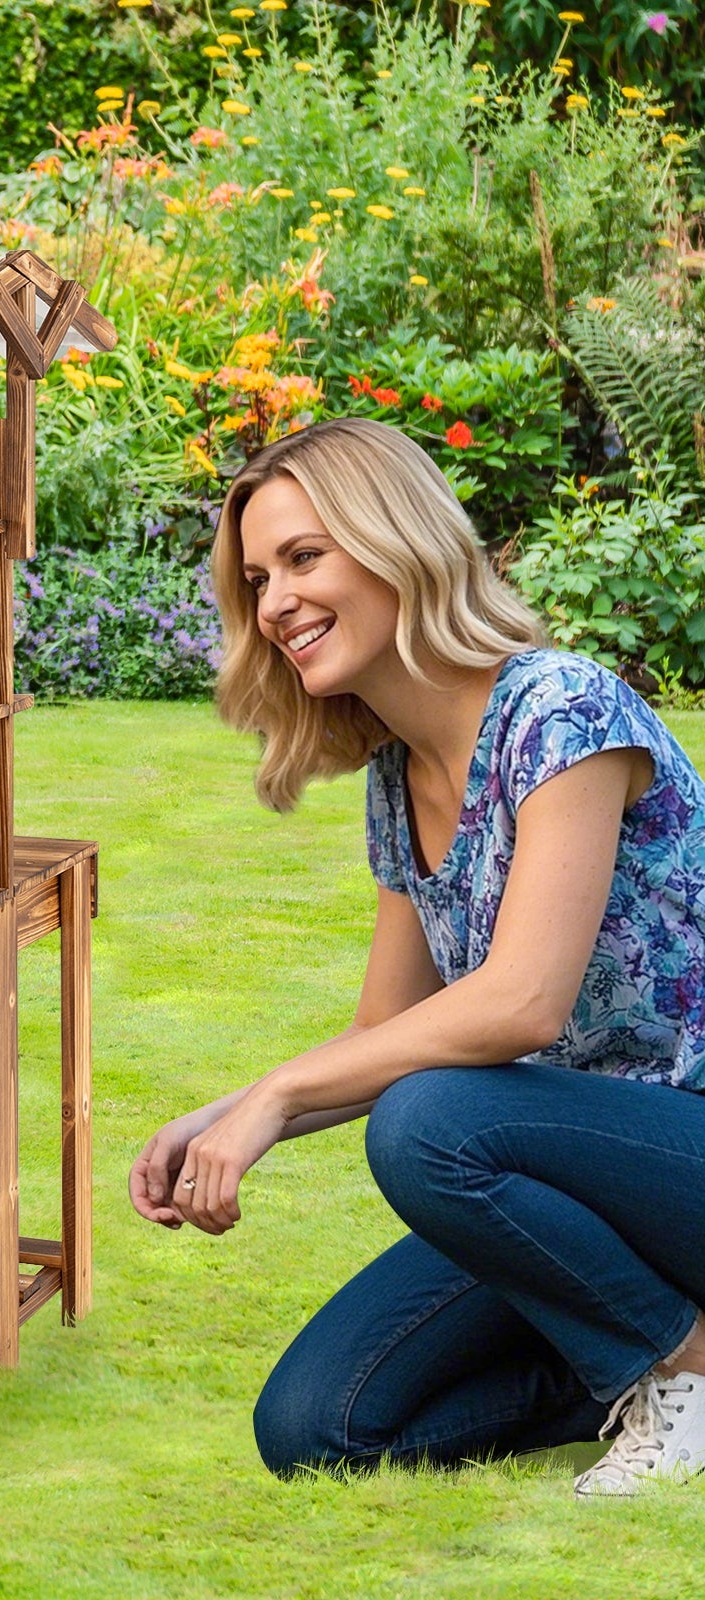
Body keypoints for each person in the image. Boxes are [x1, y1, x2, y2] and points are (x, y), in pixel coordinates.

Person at [129, 417, 705, 1496]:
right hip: (582, 1195)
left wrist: (277, 1099)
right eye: (257, 577)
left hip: (683, 1151)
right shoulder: (400, 782)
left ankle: (686, 1366)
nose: (275, 603)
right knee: (318, 1423)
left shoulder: (561, 712)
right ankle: (627, 1354)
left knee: (429, 1121)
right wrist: (226, 1115)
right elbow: (381, 1033)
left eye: (305, 558)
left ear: (396, 543)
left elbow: (522, 1003)